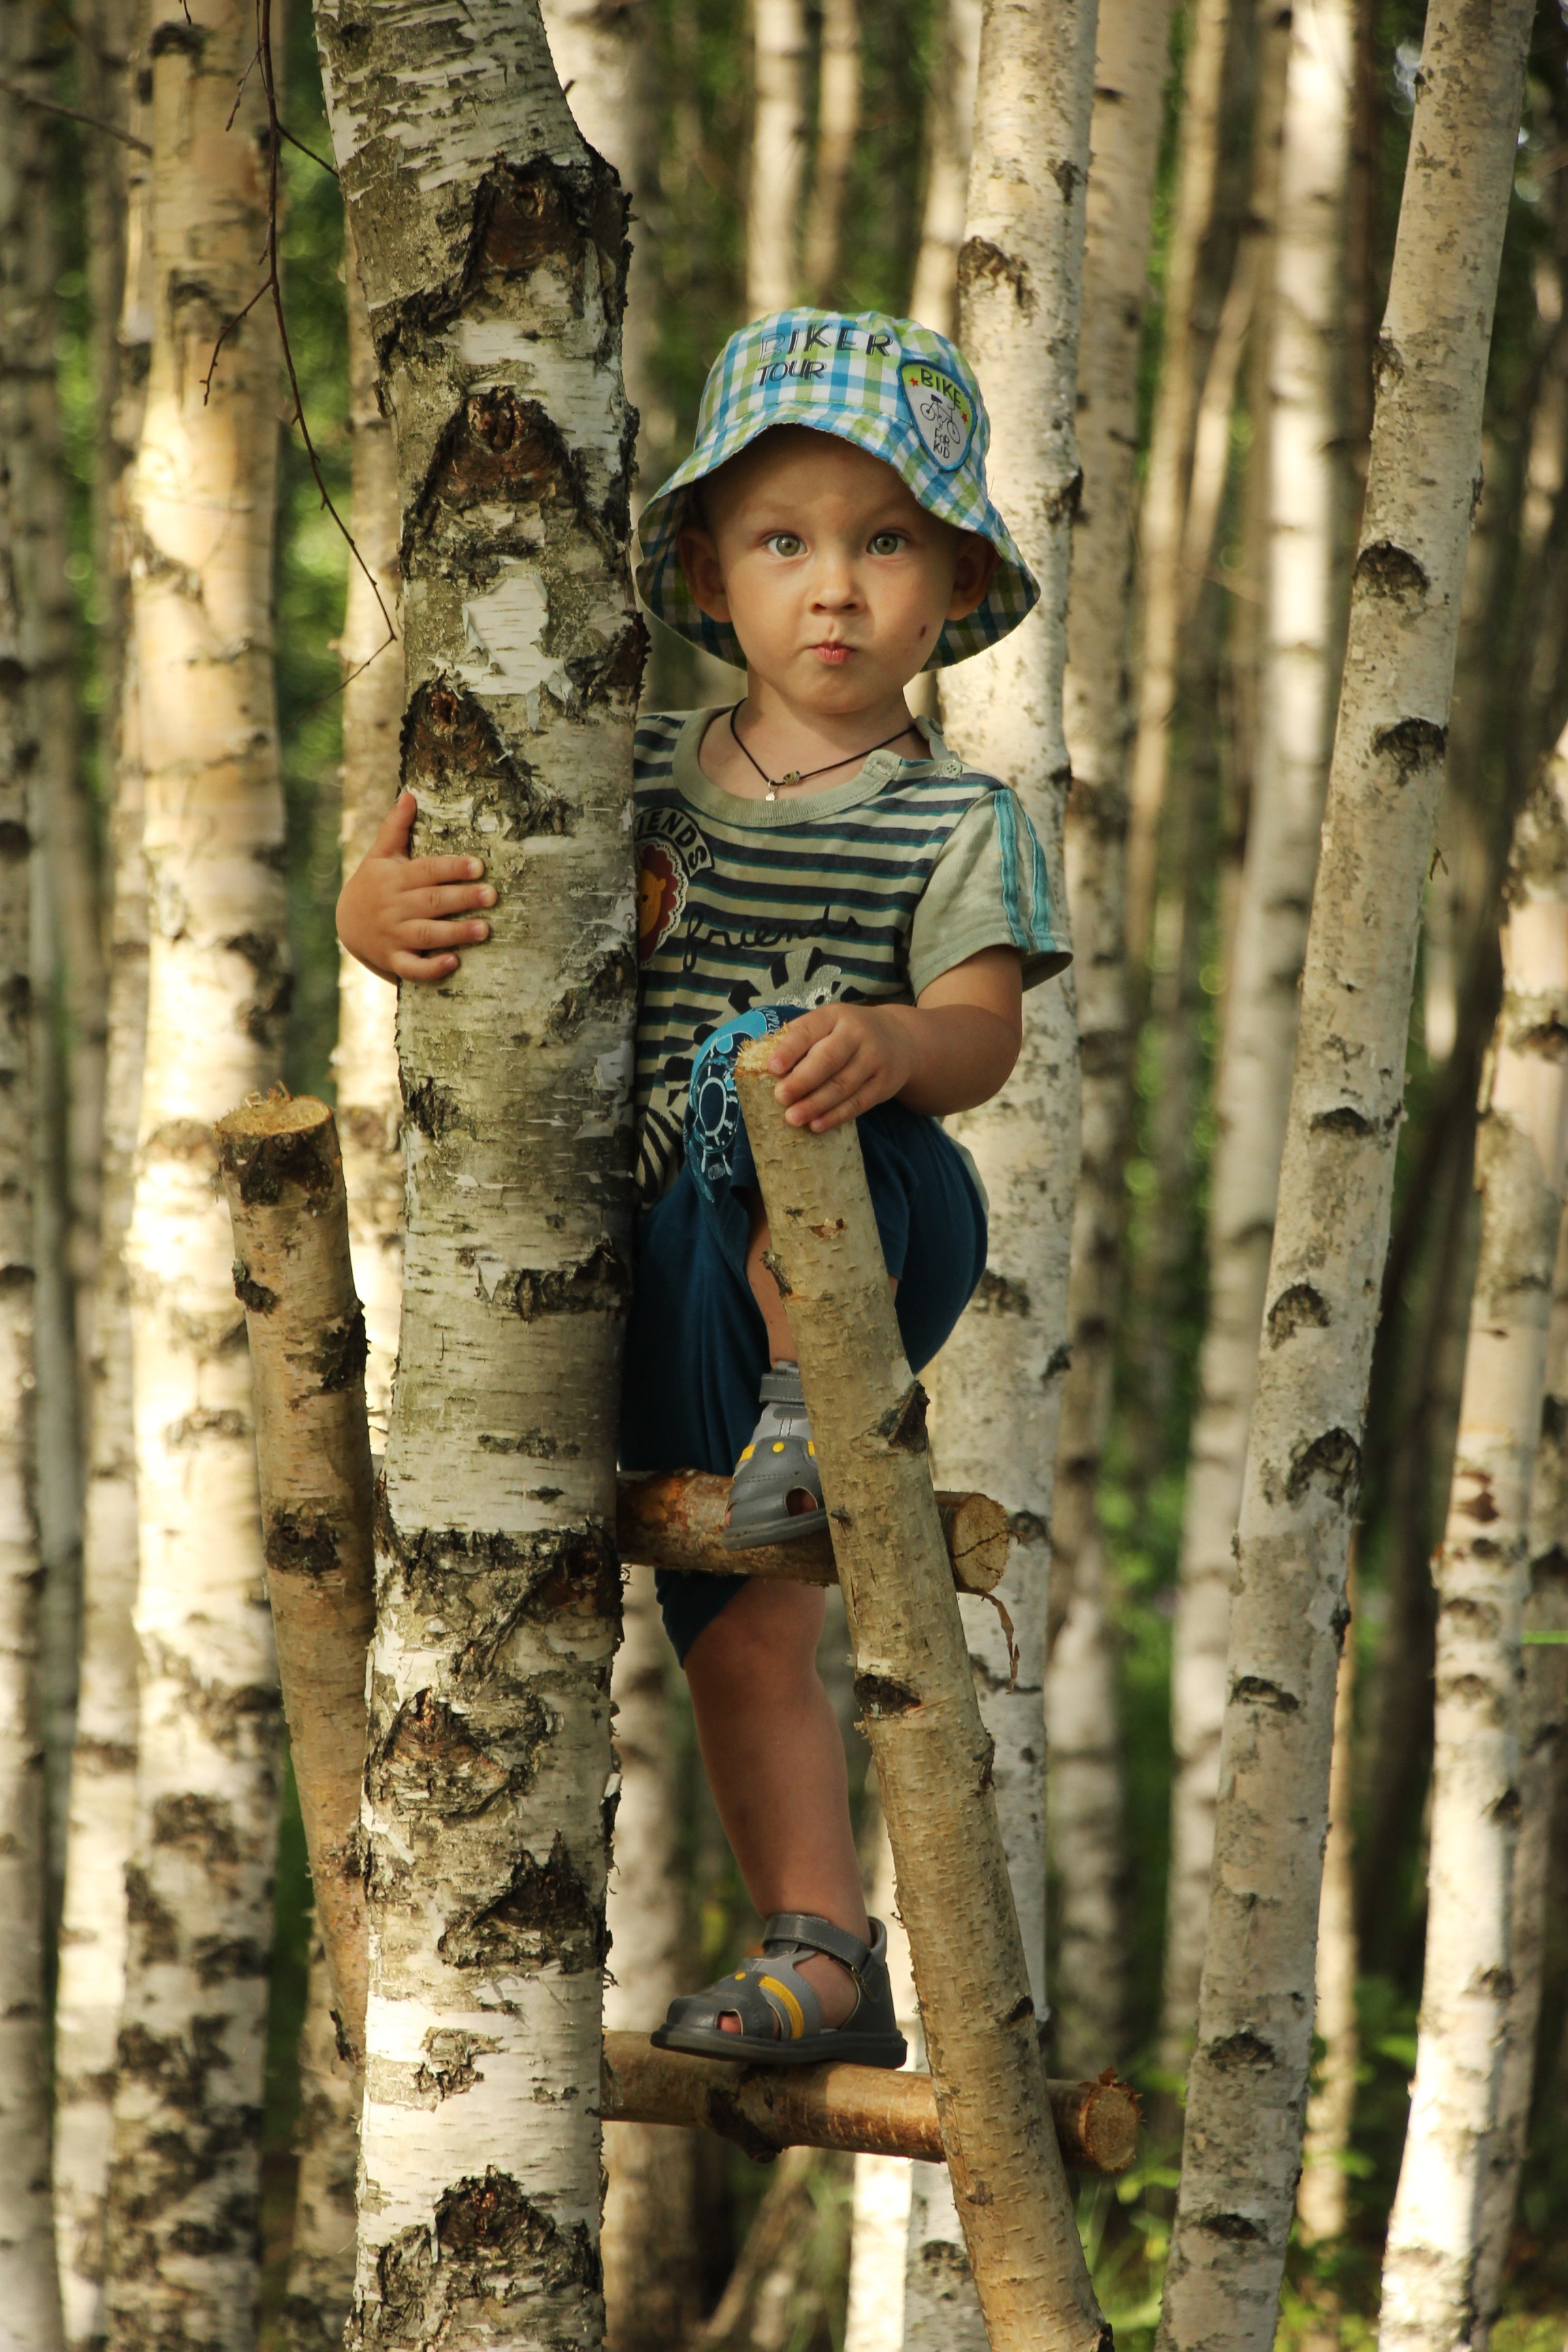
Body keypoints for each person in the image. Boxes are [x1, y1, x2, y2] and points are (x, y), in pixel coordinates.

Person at [336, 308, 1068, 2071]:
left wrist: (891, 1046)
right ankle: (821, 1947)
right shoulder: (631, 772)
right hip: (666, 1264)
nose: (835, 589)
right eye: (785, 540)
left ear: (954, 584)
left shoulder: (958, 818)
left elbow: (985, 1042)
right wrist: (374, 918)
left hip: (877, 1224)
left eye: (886, 542)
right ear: (703, 568)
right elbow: (446, 887)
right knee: (740, 1631)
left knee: (772, 1077)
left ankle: (821, 1408)